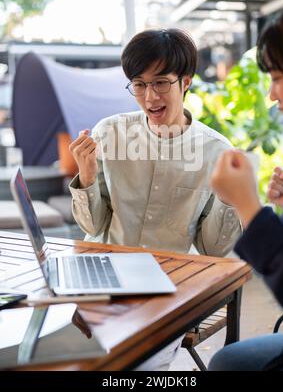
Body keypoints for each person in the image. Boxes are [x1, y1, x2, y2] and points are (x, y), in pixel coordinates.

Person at [68, 28, 241, 370]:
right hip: (103, 276)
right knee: (55, 355)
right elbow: (93, 225)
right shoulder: (109, 132)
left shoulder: (216, 151)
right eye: (139, 84)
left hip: (167, 286)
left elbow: (214, 249)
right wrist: (86, 175)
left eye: (161, 82)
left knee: (135, 365)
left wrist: (230, 198)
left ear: (186, 82)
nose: (150, 97)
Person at [209, 4, 283, 371]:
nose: (273, 97)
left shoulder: (209, 142)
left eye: (277, 77)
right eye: (140, 83)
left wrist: (249, 207)